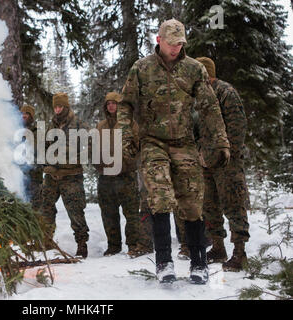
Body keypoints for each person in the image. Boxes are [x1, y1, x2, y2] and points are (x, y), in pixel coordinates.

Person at [117, 19, 230, 284]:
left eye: (180, 44)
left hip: (184, 143)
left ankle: (199, 263)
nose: (176, 48)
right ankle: (164, 262)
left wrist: (222, 141)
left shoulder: (194, 69)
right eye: (171, 43)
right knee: (160, 196)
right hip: (153, 142)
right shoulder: (141, 69)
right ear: (159, 40)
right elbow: (125, 105)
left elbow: (210, 108)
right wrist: (125, 134)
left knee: (192, 203)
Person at [195, 57, 250, 272]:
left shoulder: (225, 91)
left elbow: (237, 126)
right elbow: (195, 129)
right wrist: (199, 152)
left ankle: (239, 252)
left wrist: (226, 153)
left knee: (234, 205)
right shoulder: (197, 97)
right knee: (209, 206)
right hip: (205, 162)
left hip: (227, 162)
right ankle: (218, 247)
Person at [95, 92, 153, 258]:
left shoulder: (131, 125)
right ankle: (113, 245)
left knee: (131, 212)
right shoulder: (101, 126)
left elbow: (138, 147)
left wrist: (127, 162)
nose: (111, 106)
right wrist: (99, 164)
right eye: (108, 104)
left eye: (115, 103)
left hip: (126, 176)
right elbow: (94, 147)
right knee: (108, 213)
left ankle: (133, 244)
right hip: (106, 176)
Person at [39, 92, 90, 258]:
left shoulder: (78, 124)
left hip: (71, 175)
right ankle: (46, 242)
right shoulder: (52, 125)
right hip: (52, 176)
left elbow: (92, 141)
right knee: (45, 208)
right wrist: (46, 161)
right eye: (55, 107)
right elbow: (45, 145)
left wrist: (80, 156)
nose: (57, 109)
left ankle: (82, 244)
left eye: (60, 106)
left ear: (66, 107)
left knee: (75, 211)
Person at [19, 105, 44, 211]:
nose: (24, 116)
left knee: (35, 210)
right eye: (23, 113)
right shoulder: (14, 131)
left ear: (31, 117)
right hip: (17, 177)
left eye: (27, 114)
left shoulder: (37, 133)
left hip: (33, 178)